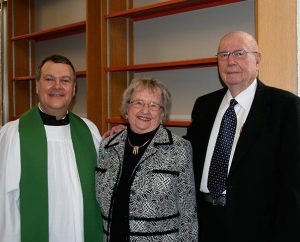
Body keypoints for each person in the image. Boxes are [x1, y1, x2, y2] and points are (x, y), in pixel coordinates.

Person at [186, 31, 300, 242]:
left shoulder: (286, 107)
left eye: (239, 53)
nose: (230, 61)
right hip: (204, 222)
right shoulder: (204, 105)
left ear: (257, 61)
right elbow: (183, 151)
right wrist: (134, 133)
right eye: (223, 54)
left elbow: (293, 184)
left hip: (258, 228)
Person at [0, 54, 103, 242]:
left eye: (65, 81)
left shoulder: (89, 130)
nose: (57, 86)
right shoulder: (14, 134)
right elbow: (5, 203)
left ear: (73, 89)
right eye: (49, 79)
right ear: (37, 86)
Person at [95, 77, 198, 241]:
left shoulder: (179, 149)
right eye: (138, 103)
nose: (145, 110)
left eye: (153, 105)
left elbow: (188, 213)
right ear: (127, 108)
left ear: (162, 113)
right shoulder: (107, 146)